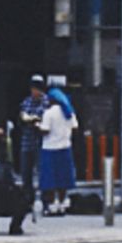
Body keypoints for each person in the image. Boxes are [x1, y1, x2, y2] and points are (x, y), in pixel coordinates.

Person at [37, 79, 79, 213]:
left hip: (49, 148)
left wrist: (37, 125)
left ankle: (50, 205)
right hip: (65, 147)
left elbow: (45, 130)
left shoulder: (48, 113)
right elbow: (75, 127)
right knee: (63, 179)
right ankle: (61, 203)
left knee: (49, 180)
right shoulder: (69, 112)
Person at [18, 76, 48, 203]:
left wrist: (32, 119)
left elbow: (43, 118)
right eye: (33, 89)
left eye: (37, 89)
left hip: (41, 142)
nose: (34, 92)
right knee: (26, 173)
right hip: (27, 141)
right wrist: (31, 119)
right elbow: (23, 116)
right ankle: (27, 201)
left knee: (42, 172)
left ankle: (46, 200)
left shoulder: (46, 102)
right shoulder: (27, 101)